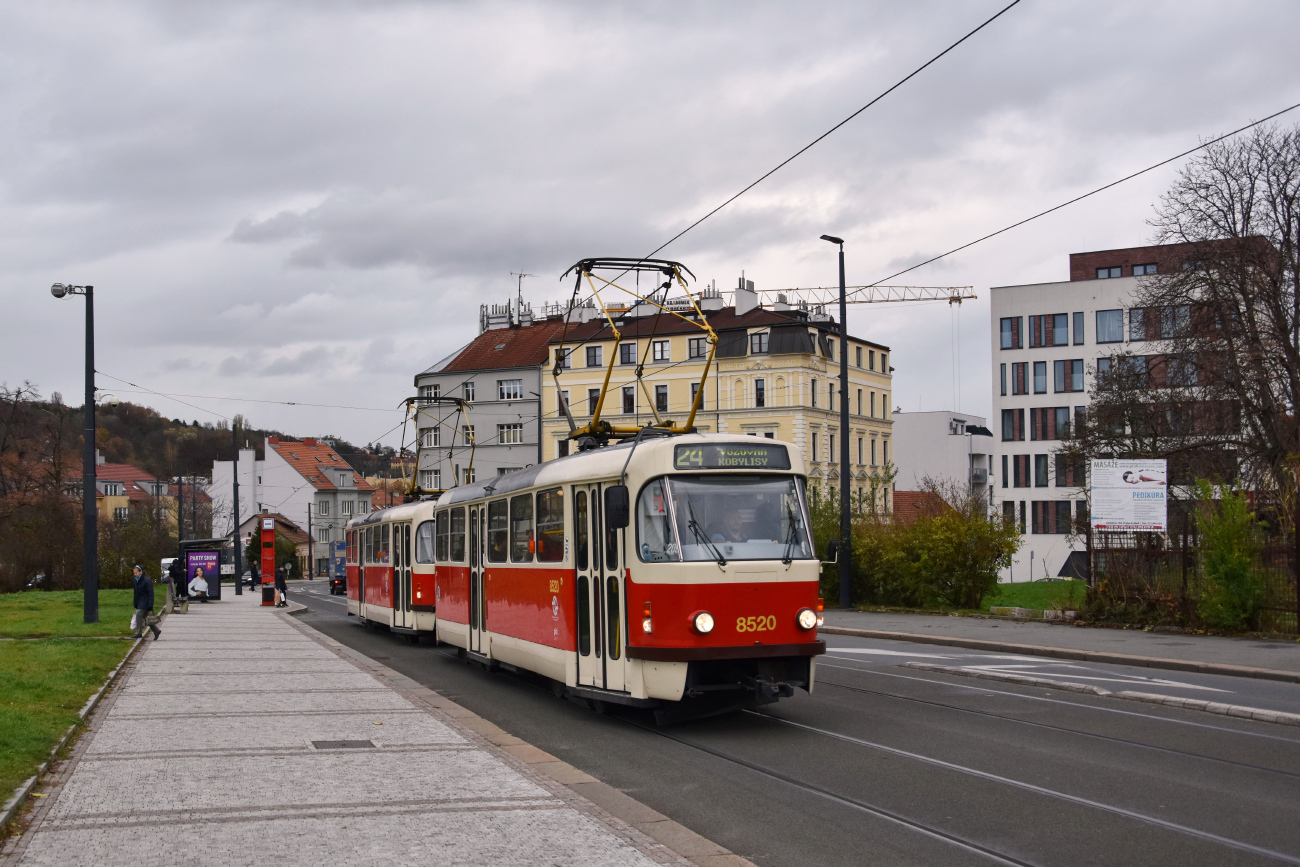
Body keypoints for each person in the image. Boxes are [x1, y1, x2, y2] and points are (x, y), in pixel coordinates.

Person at [131, 565, 161, 640]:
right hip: (140, 601)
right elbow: (136, 593)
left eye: (136, 573)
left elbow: (151, 593)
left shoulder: (147, 581)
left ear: (141, 572)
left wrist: (150, 604)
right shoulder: (135, 580)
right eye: (134, 573)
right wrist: (135, 602)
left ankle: (138, 633)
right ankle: (156, 631)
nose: (135, 574)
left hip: (145, 602)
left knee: (138, 615)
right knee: (147, 618)